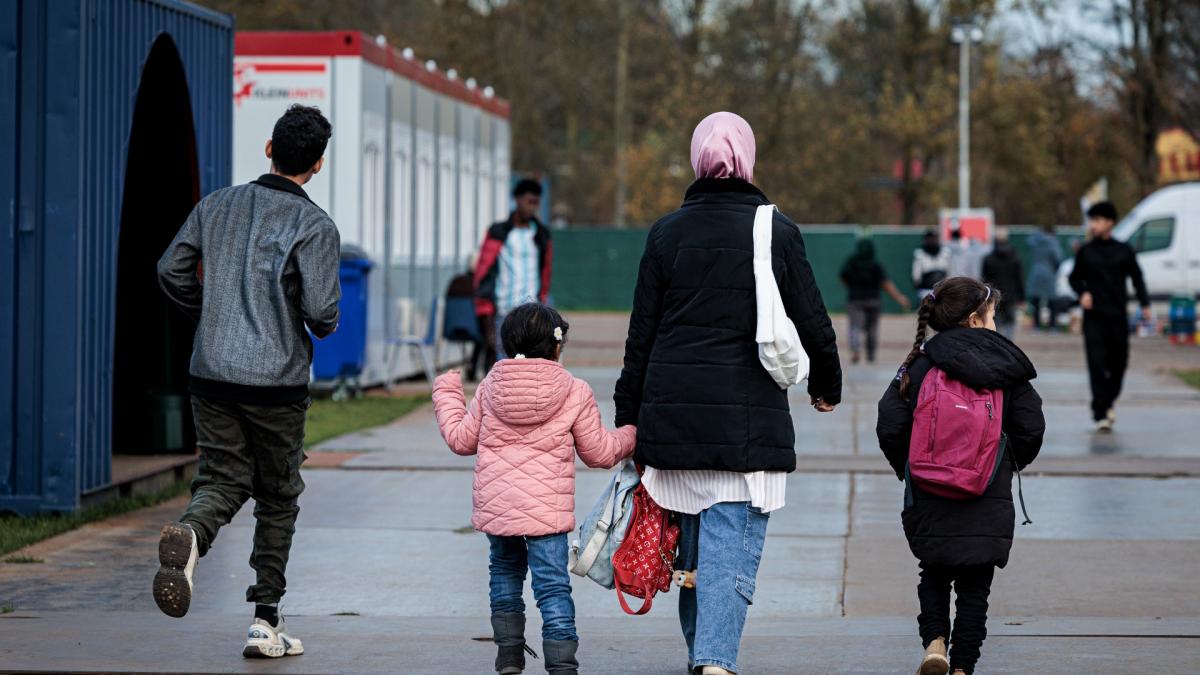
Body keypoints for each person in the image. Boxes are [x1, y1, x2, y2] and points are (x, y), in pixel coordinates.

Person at [614, 112, 841, 675]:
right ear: (749, 159)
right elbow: (812, 318)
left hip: (672, 418)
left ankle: (705, 658)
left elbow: (640, 334)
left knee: (693, 560)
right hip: (746, 423)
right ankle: (714, 663)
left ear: (696, 160)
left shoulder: (666, 233)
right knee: (726, 552)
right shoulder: (777, 231)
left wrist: (628, 415)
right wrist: (825, 385)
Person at [154, 104, 340, 658]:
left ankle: (192, 533)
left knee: (221, 477)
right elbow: (324, 316)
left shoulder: (215, 205)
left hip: (210, 374)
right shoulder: (315, 225)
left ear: (268, 149)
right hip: (276, 385)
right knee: (278, 497)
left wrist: (211, 317)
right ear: (318, 165)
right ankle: (265, 623)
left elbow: (170, 270)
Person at [432, 303, 636, 675]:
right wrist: (634, 434)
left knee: (505, 574)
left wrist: (447, 392)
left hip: (499, 507)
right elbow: (600, 452)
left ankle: (509, 656)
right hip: (547, 512)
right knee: (553, 587)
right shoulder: (574, 390)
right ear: (557, 347)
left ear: (507, 345)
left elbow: (462, 440)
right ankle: (562, 666)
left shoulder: (491, 386)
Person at [876, 277, 1045, 675]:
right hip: (986, 491)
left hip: (928, 488)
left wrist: (912, 465)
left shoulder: (919, 363)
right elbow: (1030, 427)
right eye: (992, 316)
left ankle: (935, 643)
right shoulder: (1007, 366)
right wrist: (1003, 462)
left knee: (933, 570)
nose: (995, 324)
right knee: (975, 586)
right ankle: (963, 667)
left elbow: (890, 421)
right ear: (974, 319)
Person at [1068, 201, 1151, 432]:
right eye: (1091, 220)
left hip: (1117, 318)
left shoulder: (1124, 250)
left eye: (1097, 220)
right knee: (1096, 365)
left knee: (1119, 364)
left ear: (1110, 222)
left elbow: (1137, 278)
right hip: (1094, 319)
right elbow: (1074, 278)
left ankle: (1108, 401)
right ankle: (1100, 413)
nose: (1093, 225)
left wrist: (1145, 304)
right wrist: (1082, 292)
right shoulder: (1085, 252)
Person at [475, 179, 552, 364]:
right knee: (504, 369)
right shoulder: (498, 232)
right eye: (529, 202)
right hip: (504, 312)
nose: (532, 208)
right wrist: (485, 312)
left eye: (536, 203)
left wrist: (542, 301)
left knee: (531, 367)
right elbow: (483, 271)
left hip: (532, 313)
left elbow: (546, 273)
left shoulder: (541, 235)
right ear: (517, 200)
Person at [840, 238, 911, 363]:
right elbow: (886, 284)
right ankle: (871, 354)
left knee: (855, 326)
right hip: (873, 300)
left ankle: (856, 350)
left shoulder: (851, 263)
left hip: (855, 299)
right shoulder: (876, 265)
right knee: (872, 328)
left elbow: (843, 278)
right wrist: (900, 298)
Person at [445, 257, 490, 381]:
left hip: (451, 330)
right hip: (473, 330)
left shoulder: (455, 282)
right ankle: (485, 371)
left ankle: (472, 369)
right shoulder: (480, 285)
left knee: (481, 337)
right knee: (485, 337)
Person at [981, 228, 1026, 340]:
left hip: (994, 295)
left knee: (995, 321)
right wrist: (1022, 297)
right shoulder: (1015, 257)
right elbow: (1019, 278)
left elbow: (984, 279)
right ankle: (1009, 344)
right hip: (1011, 294)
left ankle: (997, 342)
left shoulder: (988, 258)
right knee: (1010, 322)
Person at [1025, 224, 1062, 330]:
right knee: (1052, 300)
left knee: (1036, 301)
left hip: (1035, 272)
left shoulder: (1034, 242)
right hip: (1049, 273)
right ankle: (1053, 326)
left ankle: (1036, 326)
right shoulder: (1053, 243)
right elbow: (1057, 259)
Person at [912, 229, 950, 301]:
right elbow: (916, 276)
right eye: (929, 238)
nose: (932, 240)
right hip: (925, 290)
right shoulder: (919, 254)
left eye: (934, 238)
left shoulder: (946, 253)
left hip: (942, 291)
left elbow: (949, 272)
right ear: (925, 240)